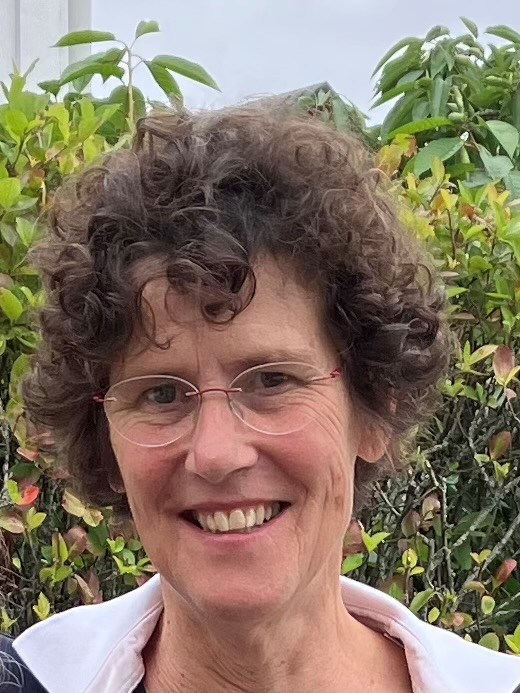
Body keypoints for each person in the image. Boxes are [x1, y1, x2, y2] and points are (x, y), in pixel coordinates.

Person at [1, 104, 519, 693]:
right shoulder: (30, 679)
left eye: (272, 381)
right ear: (107, 443)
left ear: (376, 406)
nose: (216, 454)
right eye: (161, 394)